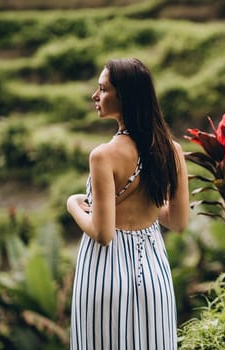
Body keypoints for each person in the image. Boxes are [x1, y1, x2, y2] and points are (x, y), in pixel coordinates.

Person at [66, 58, 190, 350]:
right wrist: (143, 208)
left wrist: (73, 204)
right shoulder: (172, 150)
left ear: (125, 96)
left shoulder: (103, 156)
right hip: (154, 273)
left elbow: (103, 233)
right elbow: (178, 221)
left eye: (103, 89)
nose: (95, 96)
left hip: (105, 273)